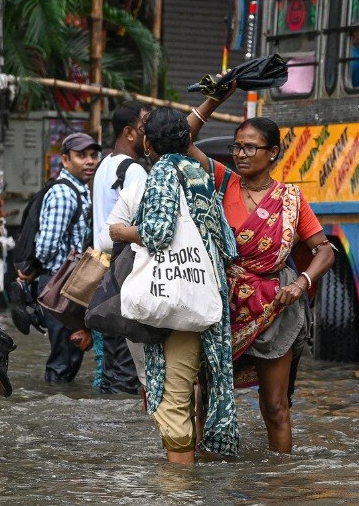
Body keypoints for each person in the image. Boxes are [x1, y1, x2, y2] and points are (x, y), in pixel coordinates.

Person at [186, 90, 335, 454]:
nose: (241, 154)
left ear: (273, 153)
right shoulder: (221, 182)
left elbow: (324, 250)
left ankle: (279, 483)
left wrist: (302, 282)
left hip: (276, 306)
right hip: (223, 306)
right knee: (206, 400)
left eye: (251, 147)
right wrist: (215, 100)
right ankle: (205, 476)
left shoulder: (292, 199)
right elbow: (181, 138)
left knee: (275, 406)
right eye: (238, 146)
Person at [129, 107, 240, 464]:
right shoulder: (200, 173)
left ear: (147, 143)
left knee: (173, 400)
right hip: (206, 292)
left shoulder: (162, 171)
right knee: (190, 392)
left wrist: (123, 231)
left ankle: (178, 490)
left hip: (175, 298)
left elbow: (158, 233)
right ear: (188, 140)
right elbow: (228, 242)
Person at [19, 131, 99, 384]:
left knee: (70, 353)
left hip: (65, 283)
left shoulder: (78, 191)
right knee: (64, 356)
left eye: (93, 155)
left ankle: (58, 397)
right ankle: (54, 399)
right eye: (81, 156)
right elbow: (46, 245)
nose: (90, 161)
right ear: (65, 160)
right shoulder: (64, 194)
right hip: (59, 284)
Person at [91, 101, 149, 394]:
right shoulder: (135, 171)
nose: (148, 134)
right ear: (129, 132)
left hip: (103, 276)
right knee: (128, 371)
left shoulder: (105, 165)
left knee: (111, 367)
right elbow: (146, 230)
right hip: (126, 274)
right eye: (143, 127)